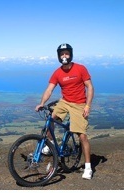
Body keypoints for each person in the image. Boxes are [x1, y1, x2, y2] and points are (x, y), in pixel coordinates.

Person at [35, 43, 95, 179]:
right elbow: (49, 89)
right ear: (58, 56)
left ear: (71, 54)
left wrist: (87, 106)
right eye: (62, 54)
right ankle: (49, 145)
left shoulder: (80, 69)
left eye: (66, 53)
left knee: (82, 136)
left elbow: (90, 87)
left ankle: (88, 167)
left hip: (79, 103)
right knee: (51, 119)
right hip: (64, 102)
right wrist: (42, 103)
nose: (64, 56)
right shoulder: (57, 72)